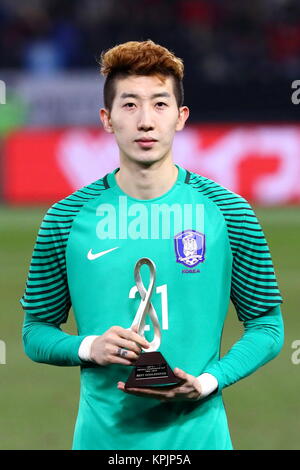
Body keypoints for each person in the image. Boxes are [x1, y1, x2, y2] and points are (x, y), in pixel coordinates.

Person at [20, 40, 284, 450]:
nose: (145, 121)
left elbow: (268, 327)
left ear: (181, 118)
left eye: (159, 104)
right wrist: (89, 346)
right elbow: (35, 332)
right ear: (107, 119)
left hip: (200, 440)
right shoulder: (65, 217)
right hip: (101, 442)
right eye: (129, 105)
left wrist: (210, 380)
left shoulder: (228, 212)